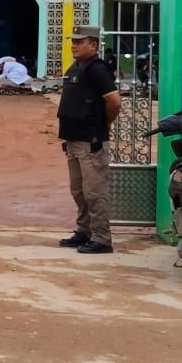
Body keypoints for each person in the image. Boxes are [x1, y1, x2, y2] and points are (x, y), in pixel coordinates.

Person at [57, 25, 121, 255]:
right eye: (73, 41)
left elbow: (114, 101)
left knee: (94, 192)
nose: (73, 45)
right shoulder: (77, 67)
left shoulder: (97, 69)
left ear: (93, 45)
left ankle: (102, 239)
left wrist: (105, 123)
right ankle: (84, 231)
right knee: (79, 191)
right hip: (74, 139)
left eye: (79, 41)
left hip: (91, 140)